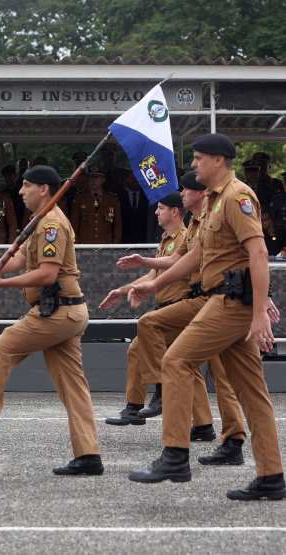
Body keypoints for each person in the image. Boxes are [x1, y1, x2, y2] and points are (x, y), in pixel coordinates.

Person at [127, 133, 285, 500]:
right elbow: (195, 256)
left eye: (198, 158)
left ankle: (175, 455)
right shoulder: (214, 201)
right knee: (252, 391)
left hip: (230, 303)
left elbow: (259, 254)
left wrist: (259, 312)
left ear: (218, 160)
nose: (194, 164)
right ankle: (271, 476)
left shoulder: (237, 196)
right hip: (225, 300)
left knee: (176, 360)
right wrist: (153, 285)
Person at [0, 165, 102, 476]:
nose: (20, 190)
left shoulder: (51, 223)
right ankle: (89, 456)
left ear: (43, 189)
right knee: (73, 388)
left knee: (0, 351)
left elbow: (47, 274)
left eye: (26, 185)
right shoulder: (41, 219)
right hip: (66, 311)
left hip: (57, 311)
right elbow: (21, 259)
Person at [114, 171, 247, 462]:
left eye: (186, 189)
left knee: (217, 373)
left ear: (200, 193)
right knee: (195, 367)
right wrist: (144, 265)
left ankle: (198, 438)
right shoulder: (198, 225)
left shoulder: (220, 215)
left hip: (214, 301)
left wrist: (263, 301)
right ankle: (214, 438)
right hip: (205, 301)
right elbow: (179, 261)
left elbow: (250, 252)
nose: (182, 192)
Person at [100, 190, 219, 434]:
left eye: (160, 208)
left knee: (138, 348)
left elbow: (175, 267)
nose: (156, 212)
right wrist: (122, 291)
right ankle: (204, 424)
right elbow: (152, 276)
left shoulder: (185, 236)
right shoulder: (165, 239)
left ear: (174, 211)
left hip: (180, 309)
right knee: (187, 365)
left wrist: (143, 269)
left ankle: (140, 404)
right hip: (169, 310)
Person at [70, 164, 122, 244]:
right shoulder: (80, 197)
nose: (93, 180)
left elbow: (117, 225)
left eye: (96, 177)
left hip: (105, 245)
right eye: (91, 177)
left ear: (103, 180)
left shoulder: (112, 199)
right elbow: (74, 224)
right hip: (85, 244)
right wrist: (77, 245)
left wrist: (114, 245)